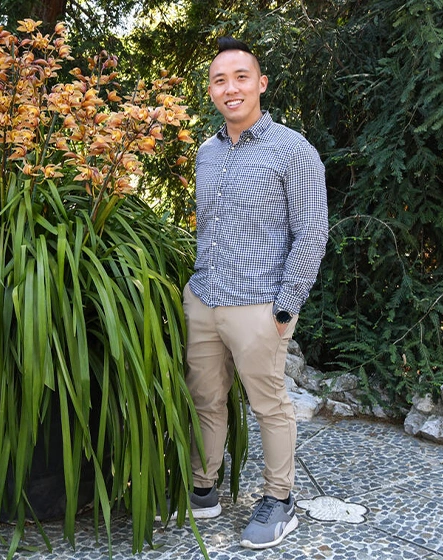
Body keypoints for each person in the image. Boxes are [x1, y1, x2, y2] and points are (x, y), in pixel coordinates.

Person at [183, 36, 328, 549]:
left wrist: (287, 304)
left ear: (261, 83)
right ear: (210, 91)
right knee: (205, 397)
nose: (231, 87)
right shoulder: (207, 151)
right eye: (220, 80)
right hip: (204, 298)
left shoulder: (293, 151)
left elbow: (312, 231)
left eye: (241, 77)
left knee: (270, 404)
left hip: (259, 303)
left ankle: (280, 500)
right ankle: (204, 487)